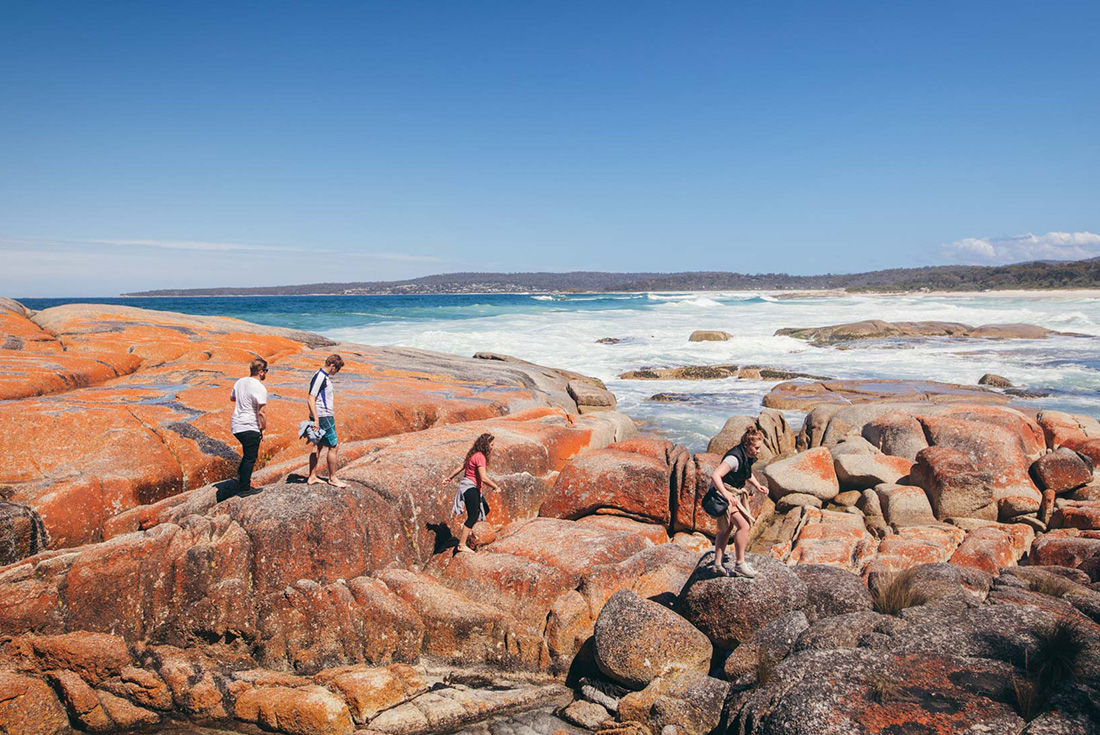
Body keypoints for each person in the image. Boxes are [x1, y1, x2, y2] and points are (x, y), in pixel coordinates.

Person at [708, 426, 769, 577]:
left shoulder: (745, 455)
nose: (758, 451)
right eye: (756, 447)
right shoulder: (734, 458)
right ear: (747, 445)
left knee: (727, 529)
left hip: (732, 494)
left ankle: (717, 564)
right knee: (744, 525)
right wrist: (727, 495)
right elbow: (715, 476)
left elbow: (746, 472)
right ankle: (740, 564)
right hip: (723, 495)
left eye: (759, 447)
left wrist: (757, 485)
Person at [441, 433, 502, 553]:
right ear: (486, 445)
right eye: (491, 444)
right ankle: (462, 544)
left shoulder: (473, 455)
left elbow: (461, 467)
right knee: (473, 516)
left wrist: (450, 478)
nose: (492, 447)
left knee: (484, 508)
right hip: (470, 487)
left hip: (469, 486)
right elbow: (483, 478)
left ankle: (470, 535)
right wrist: (496, 487)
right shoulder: (480, 457)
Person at [306, 354, 348, 487]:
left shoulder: (320, 375)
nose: (337, 372)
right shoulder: (321, 377)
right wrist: (317, 420)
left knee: (317, 445)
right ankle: (332, 478)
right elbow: (311, 398)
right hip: (323, 416)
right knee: (334, 446)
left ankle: (312, 476)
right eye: (338, 369)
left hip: (320, 415)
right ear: (333, 366)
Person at [229, 358, 268, 497]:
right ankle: (245, 488)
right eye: (266, 371)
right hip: (248, 425)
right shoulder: (260, 387)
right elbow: (261, 412)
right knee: (251, 457)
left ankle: (239, 477)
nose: (266, 374)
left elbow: (232, 398)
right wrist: (263, 428)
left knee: (247, 454)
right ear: (262, 372)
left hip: (236, 425)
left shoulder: (240, 381)